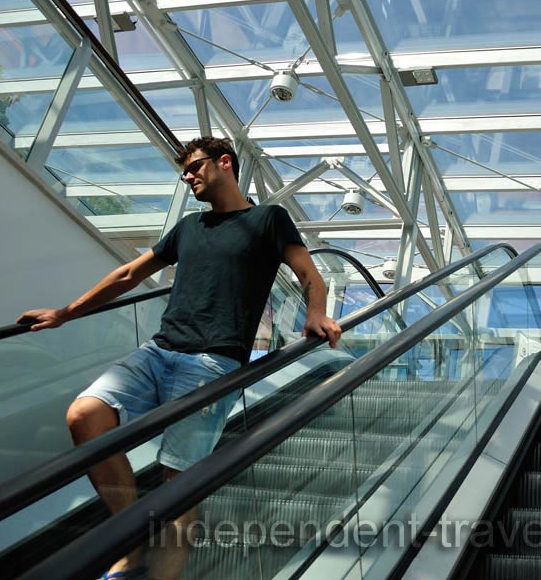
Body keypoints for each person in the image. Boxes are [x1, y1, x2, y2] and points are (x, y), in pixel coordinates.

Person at [17, 136, 342, 580]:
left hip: (212, 365)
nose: (187, 176)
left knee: (179, 488)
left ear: (224, 163)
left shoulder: (269, 219)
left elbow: (309, 274)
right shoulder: (190, 226)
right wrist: (64, 313)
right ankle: (130, 534)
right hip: (158, 351)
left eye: (194, 167)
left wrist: (316, 314)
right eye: (184, 171)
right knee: (84, 416)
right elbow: (130, 273)